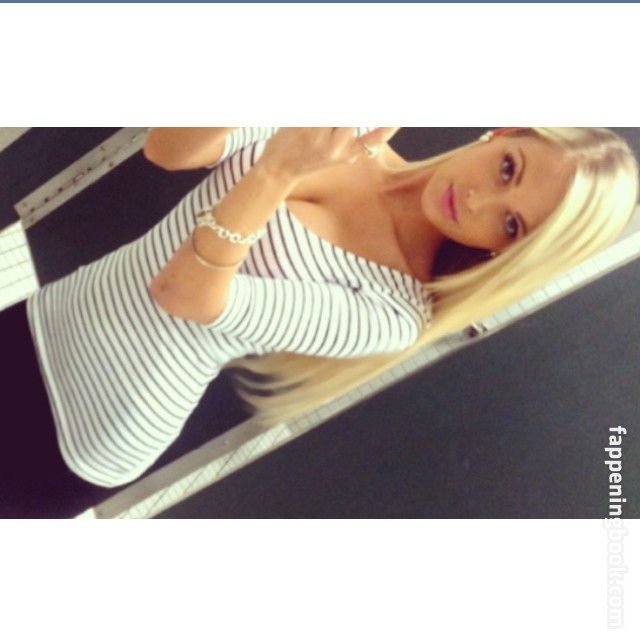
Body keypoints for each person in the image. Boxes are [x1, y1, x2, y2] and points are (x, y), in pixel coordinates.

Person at [1, 127, 637, 518]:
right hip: (51, 314)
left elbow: (184, 294)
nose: (478, 200)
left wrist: (279, 169)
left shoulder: (394, 312)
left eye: (510, 224)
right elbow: (168, 150)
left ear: (505, 251)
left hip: (85, 432)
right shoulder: (343, 128)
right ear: (502, 133)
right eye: (508, 169)